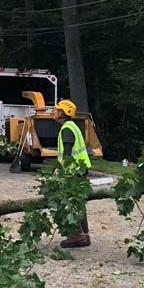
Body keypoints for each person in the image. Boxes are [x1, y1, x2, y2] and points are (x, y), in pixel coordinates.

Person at [55, 99, 92, 248]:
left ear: (63, 112)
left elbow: (68, 154)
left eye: (57, 109)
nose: (54, 111)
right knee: (78, 202)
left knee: (70, 202)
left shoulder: (67, 129)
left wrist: (60, 169)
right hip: (80, 170)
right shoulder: (73, 126)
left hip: (73, 172)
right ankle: (85, 235)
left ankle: (77, 236)